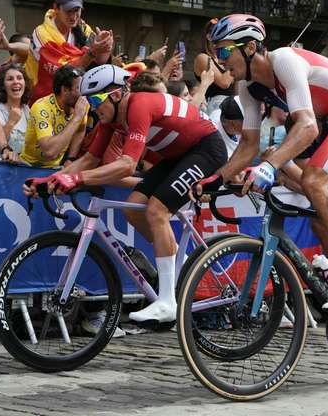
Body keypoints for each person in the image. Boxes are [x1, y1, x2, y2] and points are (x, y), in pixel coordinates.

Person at [194, 14, 328, 311]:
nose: (219, 62)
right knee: (319, 215)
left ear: (251, 47)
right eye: (215, 53)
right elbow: (248, 145)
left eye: (223, 51)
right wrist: (216, 179)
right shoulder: (248, 88)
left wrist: (270, 166)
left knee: (312, 180)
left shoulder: (284, 60)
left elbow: (307, 127)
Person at [26, 64, 226, 323]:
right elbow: (89, 159)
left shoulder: (139, 105)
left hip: (206, 148)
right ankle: (181, 263)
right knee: (134, 208)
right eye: (88, 101)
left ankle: (167, 301)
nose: (94, 107)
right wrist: (49, 180)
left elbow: (127, 165)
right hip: (179, 155)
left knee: (156, 210)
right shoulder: (111, 121)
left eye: (97, 99)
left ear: (117, 94)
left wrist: (75, 179)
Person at [24, 0, 113, 101]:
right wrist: (93, 52)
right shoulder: (42, 34)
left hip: (72, 97)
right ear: (56, 8)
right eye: (68, 11)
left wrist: (105, 45)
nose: (73, 16)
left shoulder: (82, 27)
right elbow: (65, 75)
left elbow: (100, 61)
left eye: (76, 10)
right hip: (42, 99)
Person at [20, 64, 88, 168]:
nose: (85, 93)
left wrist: (70, 158)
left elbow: (80, 130)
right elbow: (50, 152)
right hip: (28, 166)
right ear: (65, 89)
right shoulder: (41, 107)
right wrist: (76, 118)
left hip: (55, 168)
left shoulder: (81, 104)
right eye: (79, 88)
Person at [0, 63, 30, 156]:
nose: (16, 82)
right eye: (10, 79)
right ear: (3, 85)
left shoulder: (27, 110)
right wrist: (11, 122)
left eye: (19, 78)